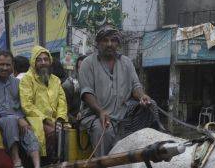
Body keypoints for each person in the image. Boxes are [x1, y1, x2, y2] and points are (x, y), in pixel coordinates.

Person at [79, 24, 155, 157]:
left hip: (123, 115)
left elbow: (135, 86)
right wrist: (100, 111)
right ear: (98, 43)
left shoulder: (126, 63)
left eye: (113, 40)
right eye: (105, 40)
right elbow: (87, 92)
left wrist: (142, 96)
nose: (109, 44)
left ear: (118, 43)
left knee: (151, 108)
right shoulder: (88, 63)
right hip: (96, 115)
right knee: (104, 130)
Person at [0, 50, 40, 168]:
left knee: (30, 127)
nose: (5, 68)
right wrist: (17, 118)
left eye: (8, 65)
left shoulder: (18, 83)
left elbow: (24, 105)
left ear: (12, 66)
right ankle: (16, 159)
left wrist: (23, 119)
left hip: (18, 121)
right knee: (11, 120)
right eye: (2, 64)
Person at [18, 45, 68, 160]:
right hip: (35, 119)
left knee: (73, 132)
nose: (43, 62)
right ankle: (49, 165)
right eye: (39, 60)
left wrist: (60, 119)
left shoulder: (55, 80)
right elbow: (27, 105)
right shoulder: (27, 79)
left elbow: (62, 102)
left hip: (56, 120)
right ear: (33, 62)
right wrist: (46, 120)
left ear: (50, 61)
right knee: (54, 134)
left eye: (46, 59)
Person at [62, 55, 86, 123]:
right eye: (79, 68)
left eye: (85, 67)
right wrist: (73, 120)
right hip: (73, 123)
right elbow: (63, 110)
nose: (82, 70)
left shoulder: (94, 83)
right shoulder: (69, 85)